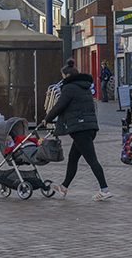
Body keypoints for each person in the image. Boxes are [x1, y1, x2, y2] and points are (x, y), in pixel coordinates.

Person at [40, 60, 112, 201]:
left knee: (92, 160)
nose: (62, 79)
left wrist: (47, 119)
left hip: (81, 129)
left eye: (63, 76)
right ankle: (64, 186)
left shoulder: (69, 88)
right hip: (89, 127)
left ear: (67, 76)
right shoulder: (84, 87)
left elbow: (59, 106)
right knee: (73, 158)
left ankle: (104, 189)